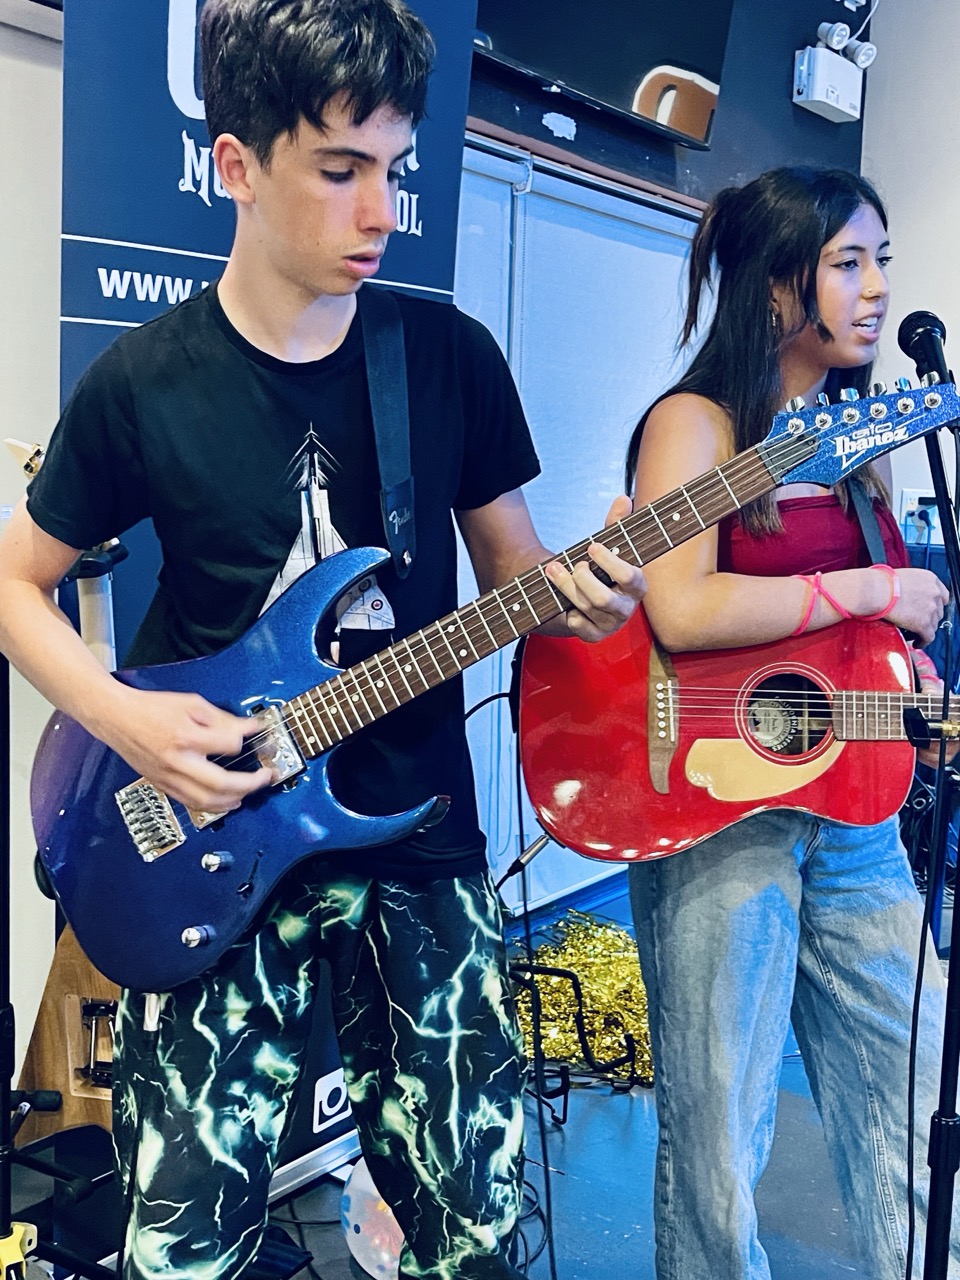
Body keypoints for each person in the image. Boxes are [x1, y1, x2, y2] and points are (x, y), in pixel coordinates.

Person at [0, 3, 646, 1278]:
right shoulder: (143, 381)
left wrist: (584, 592)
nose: (381, 212)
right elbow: (18, 585)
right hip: (212, 842)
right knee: (182, 1245)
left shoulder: (447, 358)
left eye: (394, 169)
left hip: (419, 838)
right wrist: (130, 720)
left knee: (475, 1231)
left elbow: (515, 575)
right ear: (236, 165)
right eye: (342, 170)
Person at [624, 166, 959, 1280]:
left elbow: (857, 636)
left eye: (882, 262)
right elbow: (681, 606)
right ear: (777, 287)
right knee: (719, 1149)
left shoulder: (864, 437)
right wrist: (868, 591)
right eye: (847, 263)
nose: (877, 290)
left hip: (857, 812)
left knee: (913, 1098)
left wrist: (905, 674)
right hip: (721, 808)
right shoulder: (696, 424)